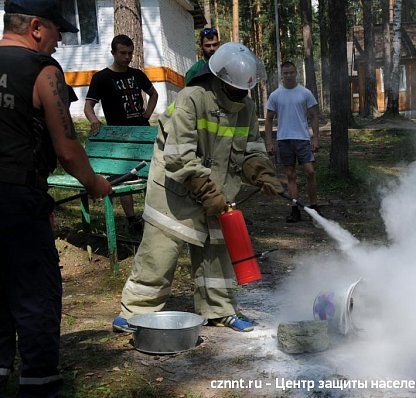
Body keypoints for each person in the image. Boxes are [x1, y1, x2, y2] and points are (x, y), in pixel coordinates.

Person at [112, 42, 283, 334]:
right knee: (160, 251)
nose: (242, 94)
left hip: (217, 190)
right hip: (174, 190)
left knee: (217, 253)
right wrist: (206, 191)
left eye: (246, 90)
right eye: (237, 89)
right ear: (220, 79)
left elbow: (252, 148)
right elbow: (179, 155)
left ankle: (218, 310)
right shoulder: (192, 98)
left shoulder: (246, 108)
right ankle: (135, 312)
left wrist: (262, 172)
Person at [0, 1, 112, 396]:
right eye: (56, 30)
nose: (60, 39)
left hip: (20, 197)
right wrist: (94, 183)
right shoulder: (42, 70)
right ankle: (39, 384)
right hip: (17, 200)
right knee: (35, 296)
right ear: (34, 27)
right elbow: (66, 146)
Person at [84, 34, 159, 233]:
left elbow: (154, 94)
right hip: (118, 136)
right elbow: (88, 106)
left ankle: (153, 217)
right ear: (113, 52)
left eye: (130, 53)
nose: (127, 57)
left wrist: (147, 114)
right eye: (123, 53)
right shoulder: (101, 78)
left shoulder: (137, 75)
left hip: (142, 132)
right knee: (123, 175)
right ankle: (132, 220)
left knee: (150, 174)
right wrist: (94, 121)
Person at [265, 61, 320, 223]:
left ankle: (314, 207)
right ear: (282, 75)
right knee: (290, 175)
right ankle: (295, 209)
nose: (288, 76)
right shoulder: (275, 95)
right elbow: (268, 120)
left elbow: (314, 115)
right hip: (284, 139)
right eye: (285, 73)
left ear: (296, 73)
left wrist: (315, 137)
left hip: (302, 139)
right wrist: (269, 142)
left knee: (310, 171)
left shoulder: (305, 93)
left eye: (291, 72)